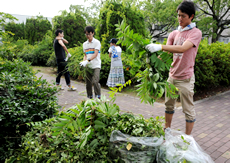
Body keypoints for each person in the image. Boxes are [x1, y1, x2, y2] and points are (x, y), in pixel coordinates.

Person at [145, 0, 202, 135]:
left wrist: (160, 46)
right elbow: (166, 54)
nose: (180, 18)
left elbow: (182, 48)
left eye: (183, 16)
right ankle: (167, 130)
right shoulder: (174, 33)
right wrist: (152, 59)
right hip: (172, 77)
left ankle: (188, 139)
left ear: (191, 16)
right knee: (169, 105)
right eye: (178, 15)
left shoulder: (195, 33)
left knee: (188, 110)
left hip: (185, 78)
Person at [80, 26, 101, 99]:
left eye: (89, 34)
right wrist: (84, 61)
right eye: (86, 34)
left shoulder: (97, 42)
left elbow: (95, 54)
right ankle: (89, 97)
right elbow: (85, 55)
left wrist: (87, 61)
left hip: (96, 65)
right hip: (88, 66)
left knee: (95, 81)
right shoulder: (84, 44)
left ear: (93, 33)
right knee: (88, 83)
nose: (87, 36)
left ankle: (98, 96)